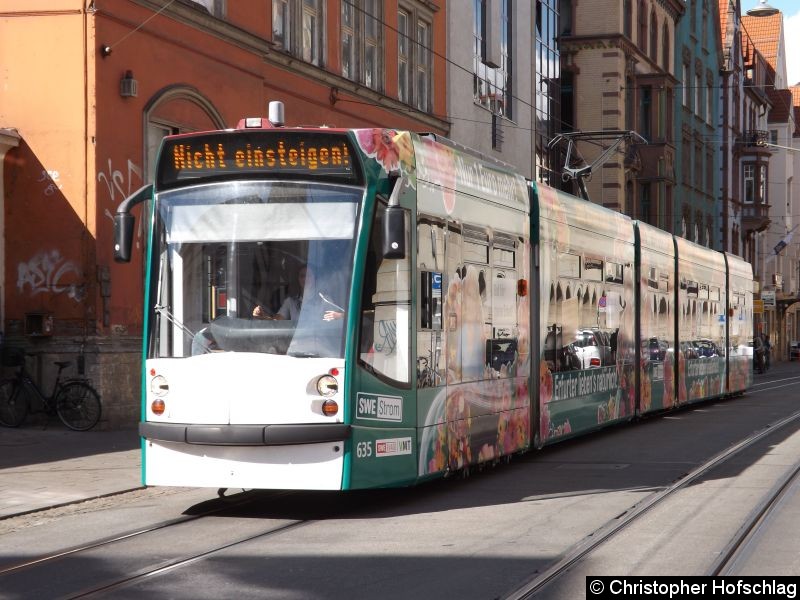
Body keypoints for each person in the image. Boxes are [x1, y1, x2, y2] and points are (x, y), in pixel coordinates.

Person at [253, 264, 343, 322]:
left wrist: (341, 315)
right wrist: (263, 316)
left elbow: (342, 317)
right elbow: (276, 321)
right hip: (296, 345)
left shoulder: (324, 299)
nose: (305, 279)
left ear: (314, 278)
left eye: (308, 275)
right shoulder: (290, 302)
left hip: (318, 344)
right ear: (298, 279)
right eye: (302, 276)